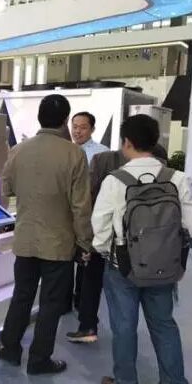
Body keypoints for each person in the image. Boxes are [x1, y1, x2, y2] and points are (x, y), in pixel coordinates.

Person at [92, 114, 192, 384]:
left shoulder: (115, 180)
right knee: (164, 323)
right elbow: (188, 225)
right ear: (155, 141)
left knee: (124, 327)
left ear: (126, 142)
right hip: (164, 265)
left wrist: (104, 251)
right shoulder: (177, 179)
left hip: (122, 267)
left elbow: (100, 225)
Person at [0, 94, 93, 375]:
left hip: (25, 239)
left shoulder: (18, 150)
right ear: (65, 120)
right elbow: (81, 206)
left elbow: (6, 190)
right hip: (59, 244)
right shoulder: (74, 154)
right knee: (51, 303)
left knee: (21, 295)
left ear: (40, 117)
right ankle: (39, 360)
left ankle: (10, 348)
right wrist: (85, 242)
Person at [67, 149, 126, 343]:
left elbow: (89, 202)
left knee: (91, 283)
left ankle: (88, 327)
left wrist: (87, 242)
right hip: (132, 241)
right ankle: (124, 336)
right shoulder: (156, 165)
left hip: (101, 238)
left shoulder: (101, 161)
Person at [69, 112, 110, 312]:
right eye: (75, 126)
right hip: (66, 215)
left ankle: (81, 301)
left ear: (92, 129)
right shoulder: (65, 151)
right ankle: (65, 300)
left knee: (86, 260)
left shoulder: (102, 154)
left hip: (90, 215)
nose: (77, 131)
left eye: (83, 127)